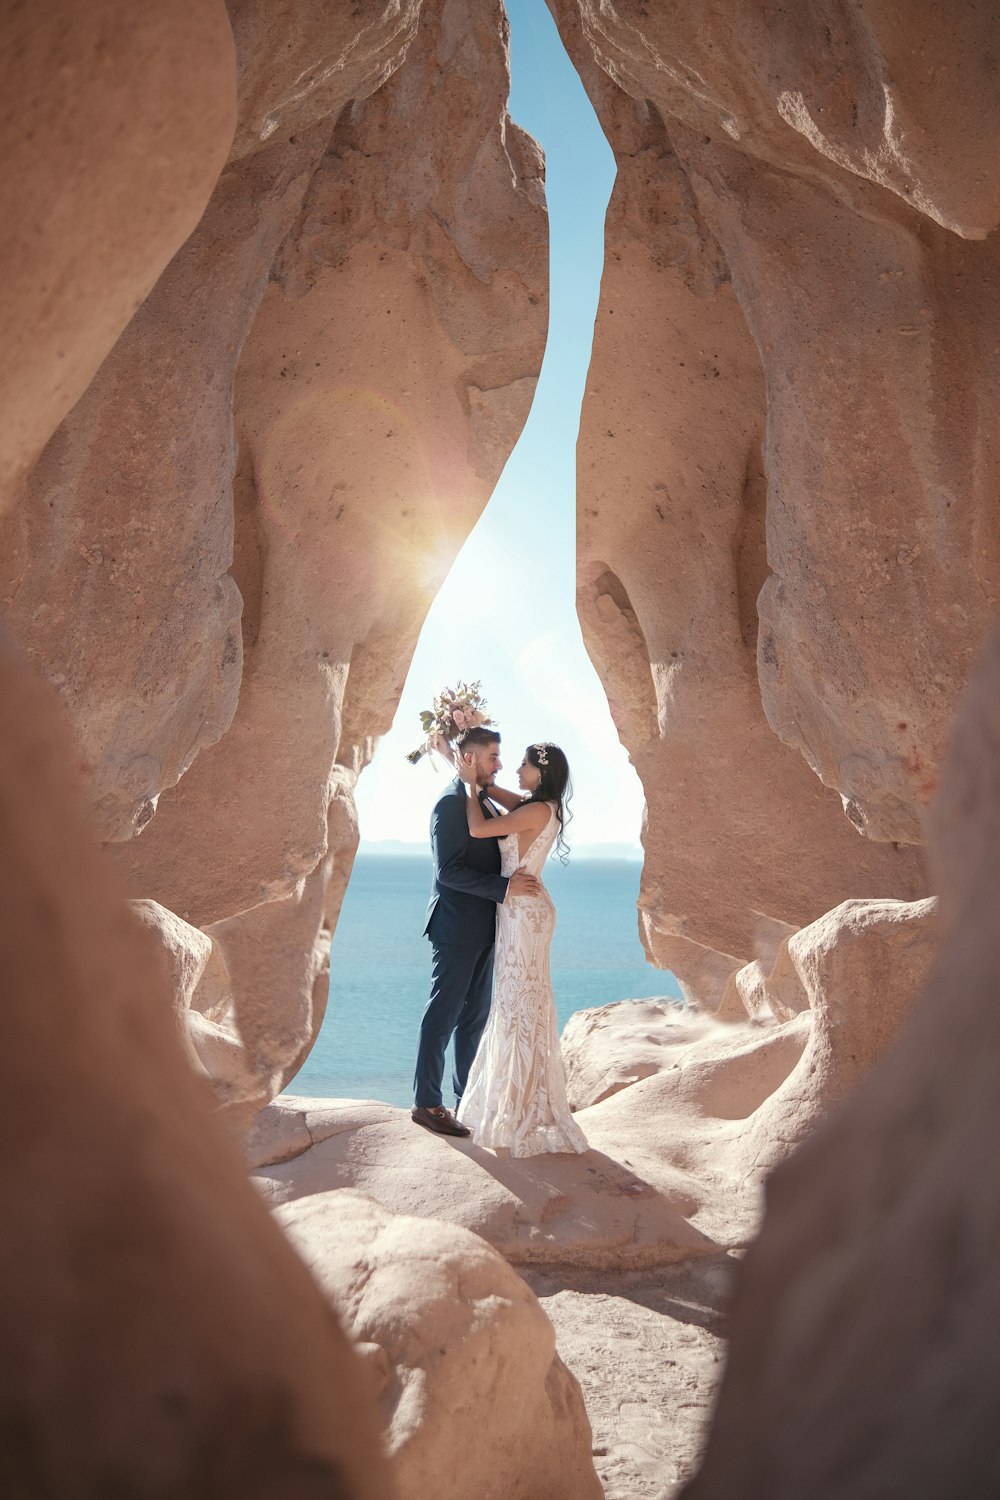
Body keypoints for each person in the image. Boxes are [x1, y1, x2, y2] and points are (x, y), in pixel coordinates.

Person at [456, 741, 588, 1156]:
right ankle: (517, 1103)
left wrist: (465, 789)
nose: (516, 769)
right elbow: (494, 792)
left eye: (524, 765)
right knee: (521, 1006)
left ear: (540, 772)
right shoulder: (542, 806)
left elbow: (478, 829)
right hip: (525, 909)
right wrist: (463, 765)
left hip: (523, 914)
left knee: (517, 1007)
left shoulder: (534, 810)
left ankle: (517, 1110)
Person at [411, 727, 541, 1137]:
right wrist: (504, 889)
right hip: (456, 927)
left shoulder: (478, 797)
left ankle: (466, 1098)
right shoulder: (450, 804)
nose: (499, 764)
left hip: (489, 927)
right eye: (492, 757)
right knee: (443, 1016)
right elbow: (448, 872)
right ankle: (426, 1103)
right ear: (471, 759)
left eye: (500, 757)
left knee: (475, 1019)